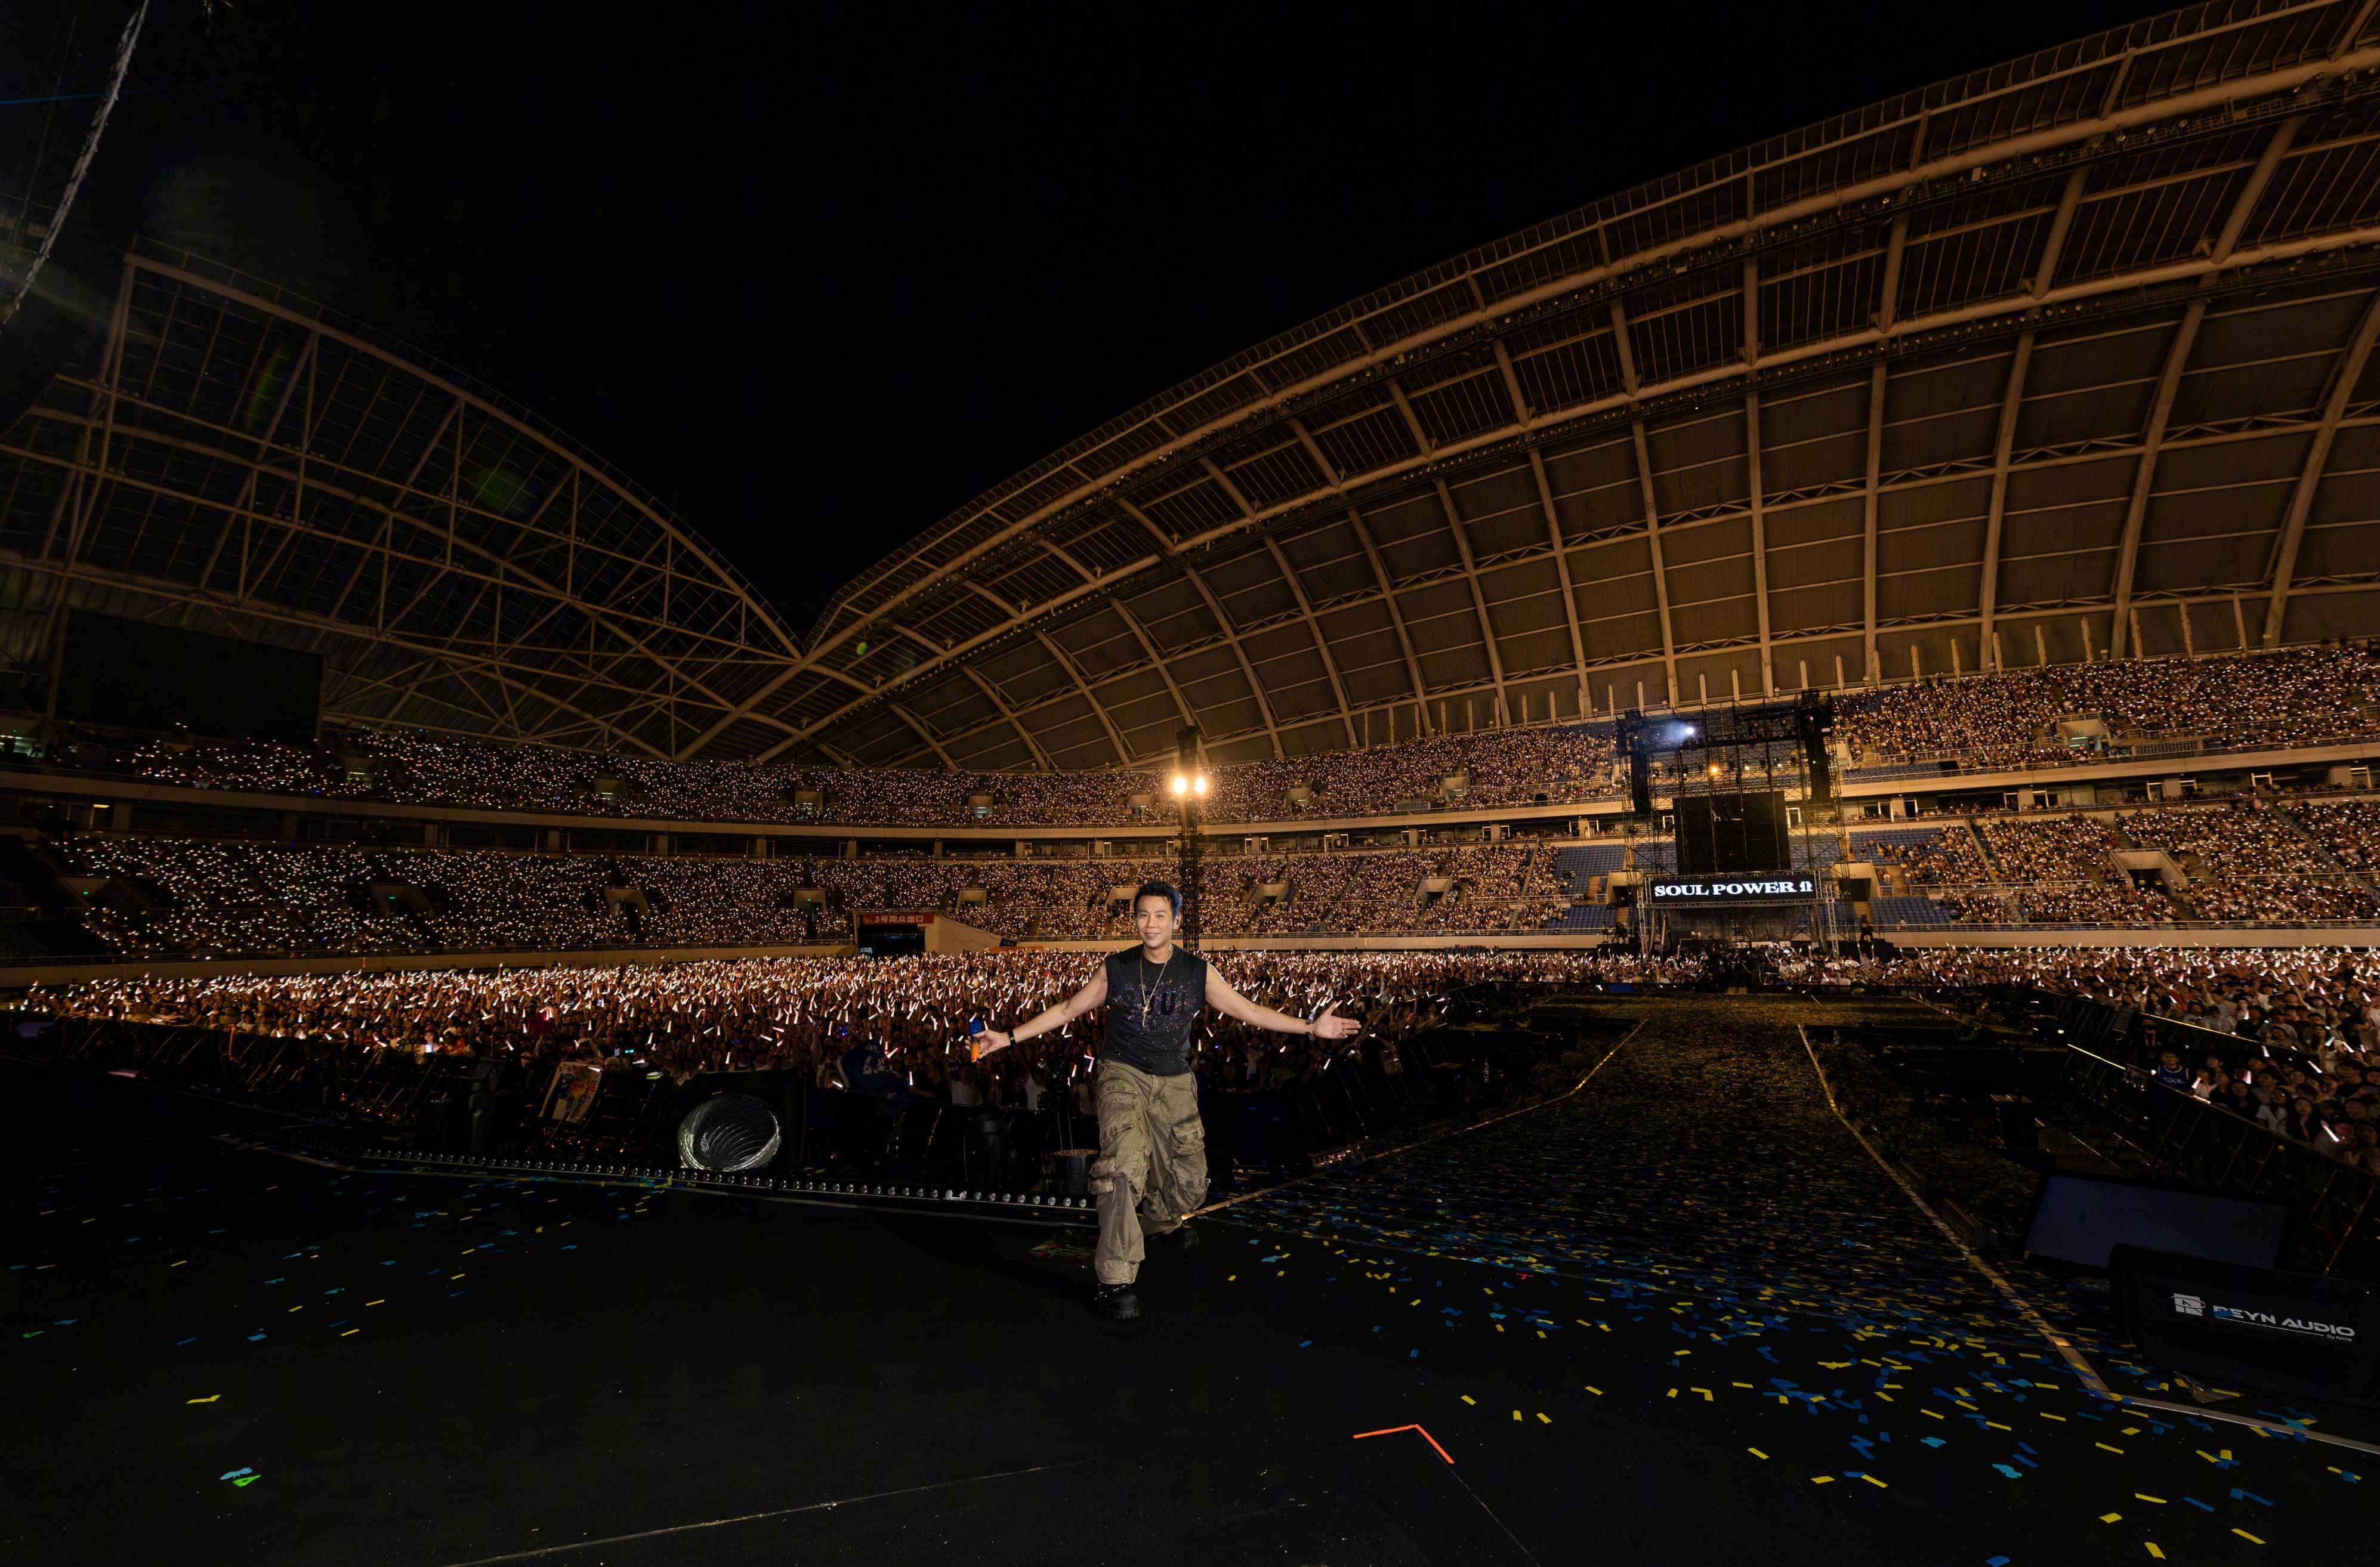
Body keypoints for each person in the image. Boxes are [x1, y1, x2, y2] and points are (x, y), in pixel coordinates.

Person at [973, 879, 1359, 1320]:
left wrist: (1311, 1027)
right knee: (1122, 1167)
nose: (1150, 923)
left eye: (1160, 915)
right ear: (1133, 919)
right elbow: (1067, 1010)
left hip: (1174, 1080)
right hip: (1122, 1074)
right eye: (1142, 915)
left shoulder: (1197, 971)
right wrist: (1006, 1037)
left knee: (1190, 1187)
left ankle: (1159, 1220)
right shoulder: (1115, 967)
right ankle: (1116, 1278)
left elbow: (1250, 1011)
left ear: (1176, 920)